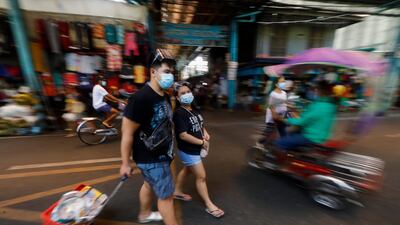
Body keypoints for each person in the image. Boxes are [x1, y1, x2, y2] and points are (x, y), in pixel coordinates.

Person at [120, 49, 178, 225]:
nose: (171, 76)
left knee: (148, 185)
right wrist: (125, 163)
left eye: (172, 72)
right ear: (153, 72)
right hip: (153, 159)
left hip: (158, 156)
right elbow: (127, 133)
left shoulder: (164, 96)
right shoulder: (141, 98)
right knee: (167, 198)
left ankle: (144, 215)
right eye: (167, 72)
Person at [172, 81, 224, 218]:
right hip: (188, 150)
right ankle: (209, 205)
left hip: (195, 148)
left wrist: (205, 132)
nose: (186, 94)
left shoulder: (194, 109)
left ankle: (177, 191)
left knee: (187, 169)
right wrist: (202, 142)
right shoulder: (179, 113)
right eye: (182, 93)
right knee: (201, 176)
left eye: (188, 92)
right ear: (178, 98)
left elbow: (200, 124)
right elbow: (183, 135)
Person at [275, 80, 337, 152]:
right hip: (321, 136)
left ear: (320, 90)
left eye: (316, 89)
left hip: (311, 137)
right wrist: (290, 113)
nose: (315, 91)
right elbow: (309, 116)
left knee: (280, 143)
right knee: (291, 130)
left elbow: (301, 121)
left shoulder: (318, 105)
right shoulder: (331, 105)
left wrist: (283, 118)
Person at [256, 76, 288, 149]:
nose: (283, 83)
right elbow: (271, 106)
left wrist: (286, 114)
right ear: (276, 84)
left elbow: (284, 104)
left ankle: (284, 148)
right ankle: (260, 143)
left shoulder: (284, 93)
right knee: (269, 132)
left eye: (284, 81)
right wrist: (274, 116)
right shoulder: (273, 94)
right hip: (273, 117)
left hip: (281, 116)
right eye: (281, 82)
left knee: (283, 132)